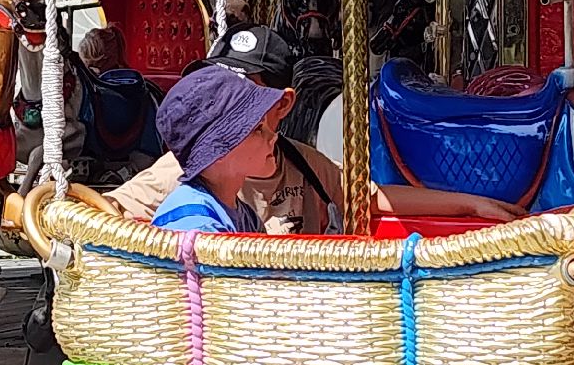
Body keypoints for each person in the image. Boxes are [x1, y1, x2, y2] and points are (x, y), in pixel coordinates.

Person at [109, 24, 525, 233]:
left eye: (245, 95)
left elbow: (366, 196)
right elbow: (107, 211)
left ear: (281, 103)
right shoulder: (183, 175)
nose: (224, 99)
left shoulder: (299, 161)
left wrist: (468, 204)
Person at [149, 66, 284, 233]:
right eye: (258, 128)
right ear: (219, 149)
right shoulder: (194, 226)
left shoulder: (243, 215)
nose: (273, 136)